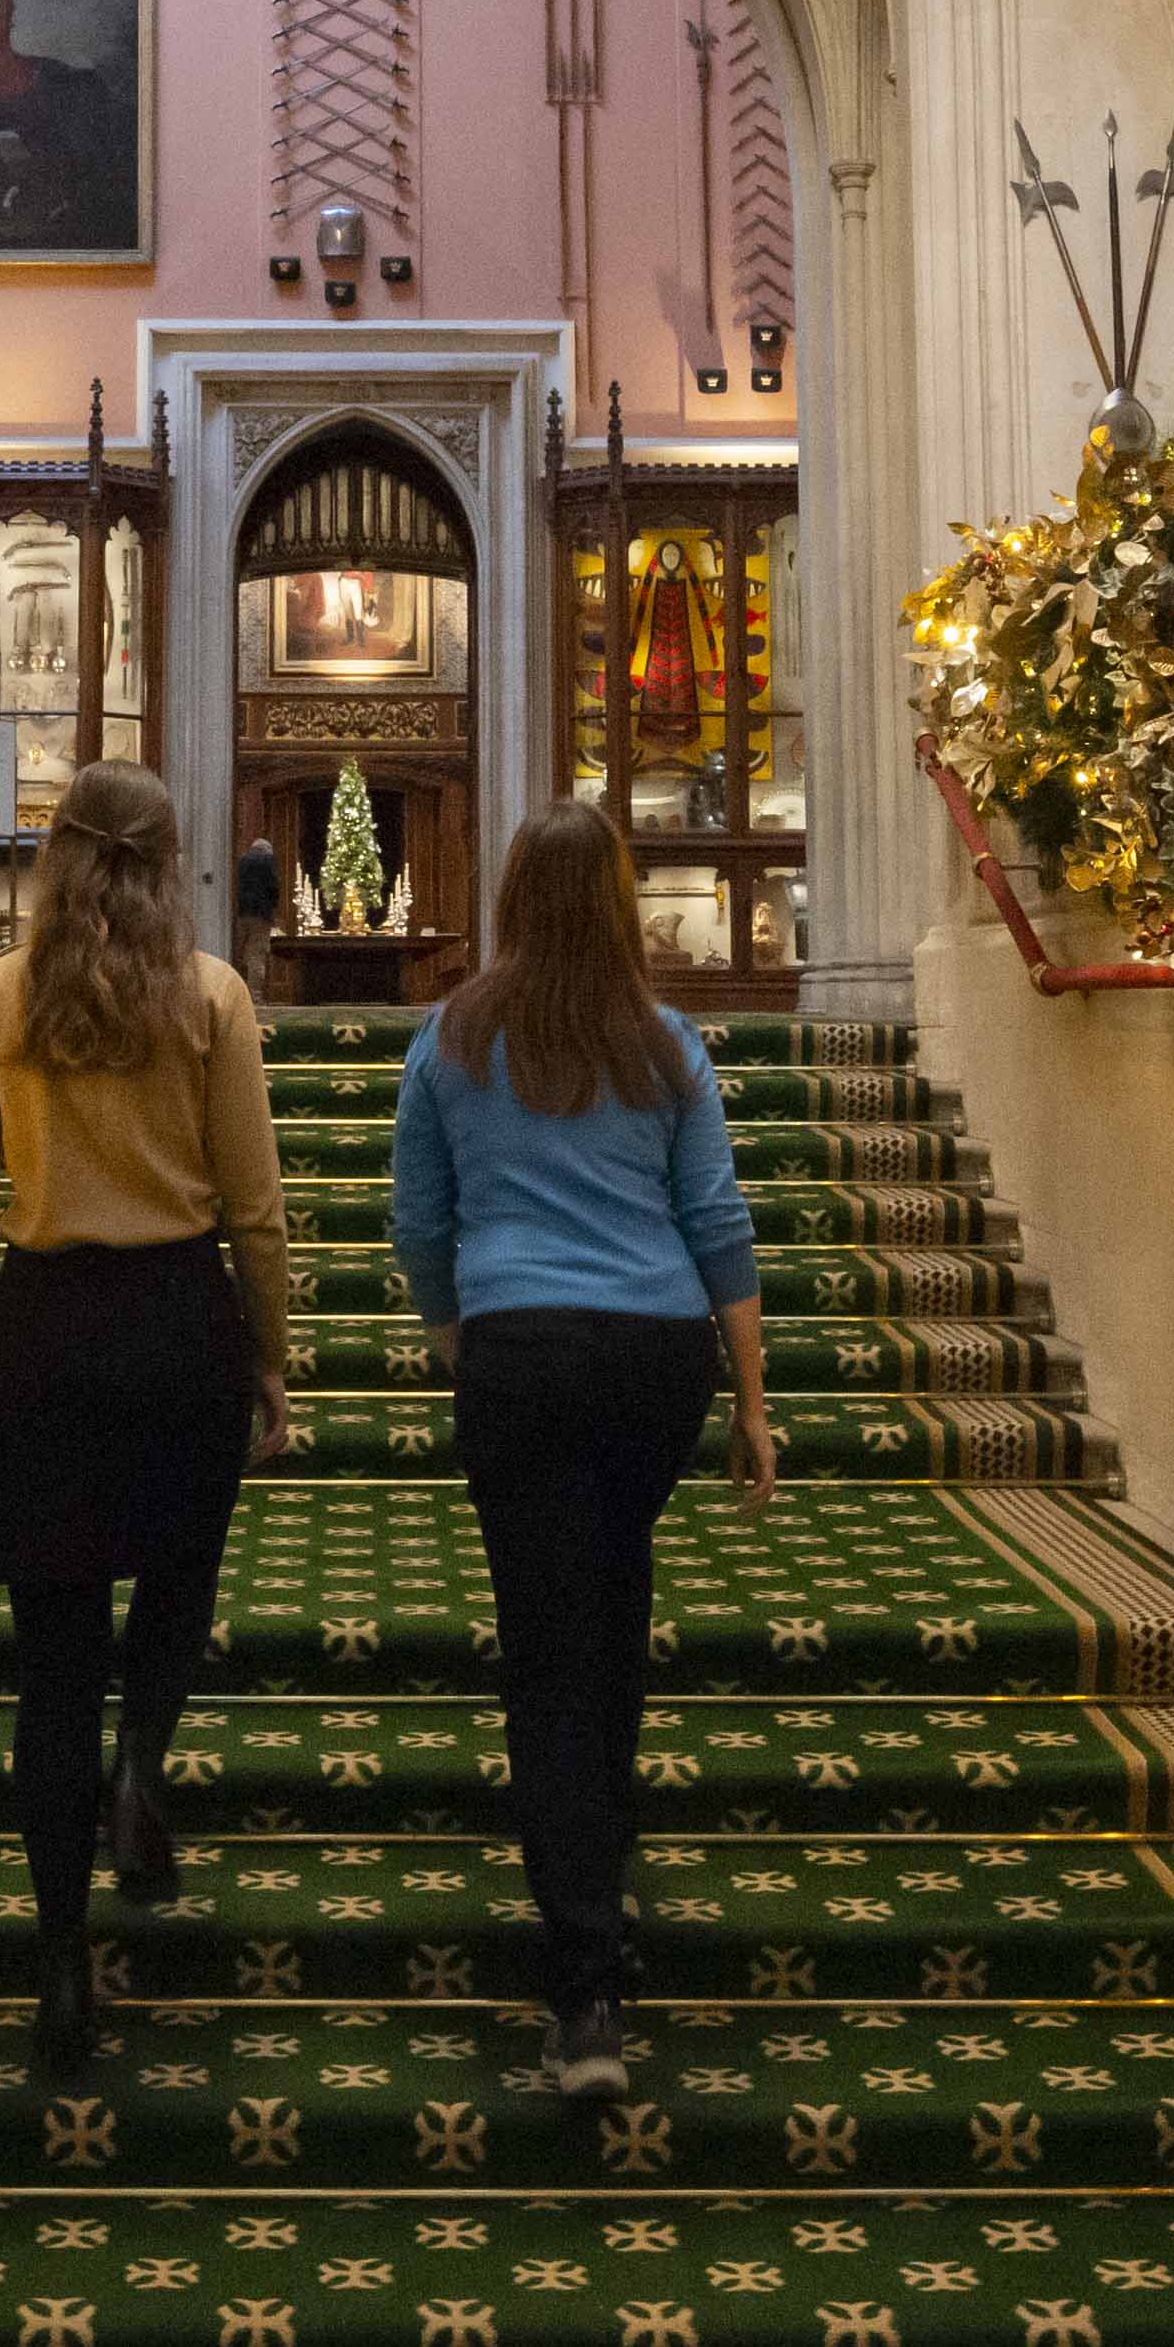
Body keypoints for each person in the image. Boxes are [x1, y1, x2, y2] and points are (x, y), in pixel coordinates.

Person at [0, 763, 304, 2080]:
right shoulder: (211, 1000)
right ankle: (143, 1757)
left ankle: (60, 1965)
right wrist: (271, 1355)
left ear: (55, 857)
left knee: (51, 1666)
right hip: (174, 1324)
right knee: (179, 1579)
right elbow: (253, 1207)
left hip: (45, 1327)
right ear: (172, 859)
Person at [396, 798, 771, 2101]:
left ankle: (584, 1985)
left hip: (523, 1353)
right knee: (613, 1607)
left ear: (509, 900)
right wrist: (754, 1404)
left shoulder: (450, 1040)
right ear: (617, 902)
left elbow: (419, 1224)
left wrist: (462, 1341)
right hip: (655, 1358)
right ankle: (603, 1838)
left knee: (547, 1650)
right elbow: (717, 1223)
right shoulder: (665, 1046)